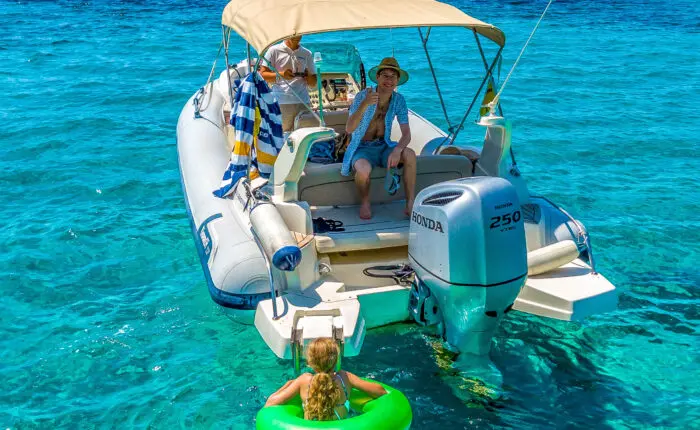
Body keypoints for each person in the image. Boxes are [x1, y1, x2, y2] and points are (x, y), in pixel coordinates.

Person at [343, 57, 416, 220]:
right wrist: (365, 104)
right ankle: (365, 202)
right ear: (377, 77)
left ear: (397, 80)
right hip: (361, 147)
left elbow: (406, 133)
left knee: (409, 154)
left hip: (384, 145)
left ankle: (410, 202)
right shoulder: (363, 96)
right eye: (385, 75)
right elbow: (349, 128)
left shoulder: (399, 100)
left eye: (393, 76)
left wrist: (397, 150)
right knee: (362, 171)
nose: (388, 80)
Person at [264, 338, 387, 421]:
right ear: (335, 360)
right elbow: (380, 391)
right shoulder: (344, 378)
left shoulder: (303, 381)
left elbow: (270, 403)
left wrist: (288, 384)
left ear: (309, 362)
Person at [259, 36, 317, 132]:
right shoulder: (273, 50)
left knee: (303, 136)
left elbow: (313, 83)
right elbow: (262, 75)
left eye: (299, 34)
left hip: (303, 102)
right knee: (282, 137)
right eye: (294, 34)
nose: (297, 37)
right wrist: (281, 75)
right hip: (281, 102)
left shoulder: (307, 53)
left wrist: (308, 76)